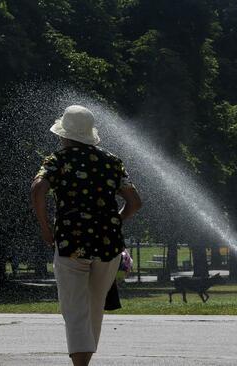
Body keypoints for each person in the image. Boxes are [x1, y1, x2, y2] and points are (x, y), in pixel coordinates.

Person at [31, 105, 142, 366]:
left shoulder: (58, 160)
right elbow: (135, 202)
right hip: (108, 247)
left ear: (65, 135)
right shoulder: (111, 161)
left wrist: (46, 228)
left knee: (74, 310)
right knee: (93, 309)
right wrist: (115, 221)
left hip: (72, 243)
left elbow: (38, 189)